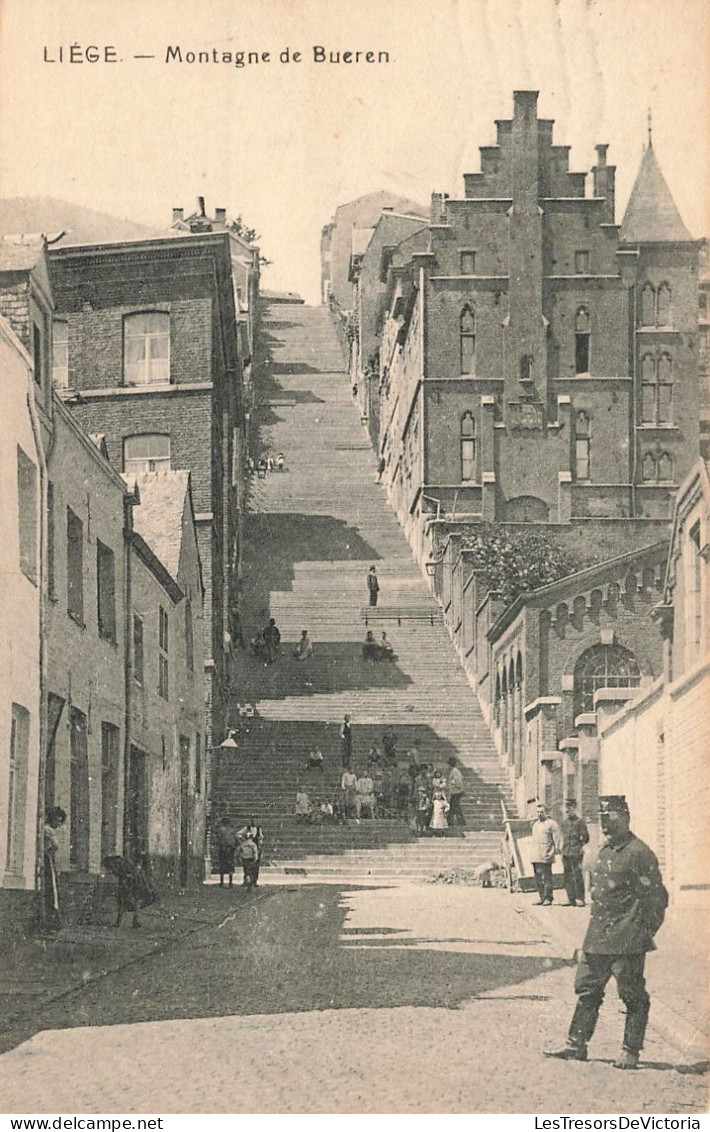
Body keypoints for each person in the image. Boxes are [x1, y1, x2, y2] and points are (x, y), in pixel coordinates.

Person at [545, 795, 668, 1070]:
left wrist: (641, 932)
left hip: (627, 940)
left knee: (632, 994)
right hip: (597, 938)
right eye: (603, 822)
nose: (606, 827)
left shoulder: (639, 853)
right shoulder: (604, 851)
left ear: (625, 818)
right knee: (587, 990)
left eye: (611, 821)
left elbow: (657, 899)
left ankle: (630, 1051)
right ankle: (576, 1045)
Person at [530, 802, 562, 905]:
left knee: (547, 878)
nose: (539, 814)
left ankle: (548, 898)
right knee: (538, 878)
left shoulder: (552, 824)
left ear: (546, 812)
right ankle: (541, 897)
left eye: (542, 812)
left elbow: (557, 838)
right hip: (536, 855)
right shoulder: (535, 825)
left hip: (546, 854)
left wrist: (557, 849)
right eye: (538, 812)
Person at [561, 797, 590, 907]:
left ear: (574, 808)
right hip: (566, 852)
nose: (567, 810)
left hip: (576, 852)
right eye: (566, 808)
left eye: (569, 808)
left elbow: (586, 838)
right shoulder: (564, 822)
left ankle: (580, 898)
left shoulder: (580, 822)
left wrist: (580, 845)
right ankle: (570, 898)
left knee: (577, 875)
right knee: (567, 876)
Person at [43, 805, 67, 932]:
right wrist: (49, 852)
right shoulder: (47, 830)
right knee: (51, 889)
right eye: (57, 820)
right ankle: (52, 921)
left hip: (49, 859)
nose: (58, 823)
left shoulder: (48, 829)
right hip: (47, 860)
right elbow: (55, 845)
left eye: (60, 821)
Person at [237, 819, 264, 888]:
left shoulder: (258, 829)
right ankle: (246, 881)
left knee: (255, 867)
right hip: (247, 850)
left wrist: (260, 842)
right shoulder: (246, 828)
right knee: (246, 868)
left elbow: (261, 837)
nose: (253, 822)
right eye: (252, 820)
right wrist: (243, 840)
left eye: (255, 820)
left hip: (256, 849)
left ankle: (254, 881)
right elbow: (238, 834)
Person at [215, 815, 238, 887]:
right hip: (228, 849)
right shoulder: (231, 829)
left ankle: (223, 882)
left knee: (224, 866)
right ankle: (228, 882)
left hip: (225, 849)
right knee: (228, 866)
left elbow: (218, 839)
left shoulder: (221, 829)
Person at [446, 756, 466, 827]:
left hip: (456, 792)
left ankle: (451, 822)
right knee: (455, 807)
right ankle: (459, 821)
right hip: (455, 791)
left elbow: (458, 782)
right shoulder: (454, 771)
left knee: (454, 807)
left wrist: (456, 786)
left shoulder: (455, 771)